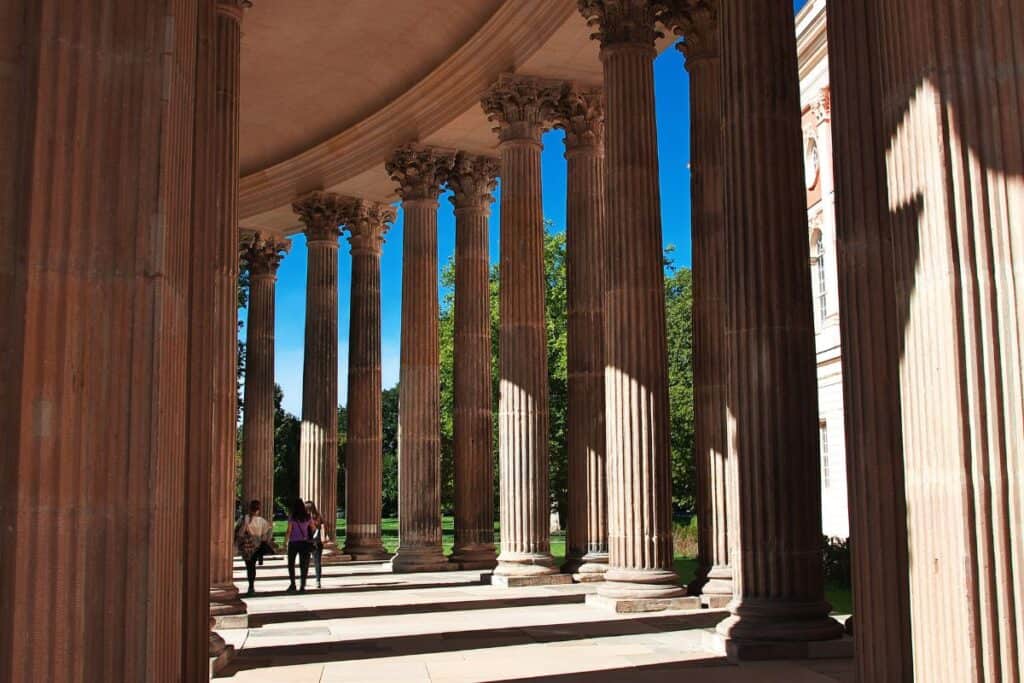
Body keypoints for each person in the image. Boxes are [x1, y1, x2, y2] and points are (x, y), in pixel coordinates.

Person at [235, 499, 273, 597]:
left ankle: (250, 585)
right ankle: (251, 586)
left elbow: (239, 532)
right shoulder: (262, 521)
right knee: (253, 566)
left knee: (249, 566)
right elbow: (267, 533)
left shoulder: (244, 518)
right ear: (258, 509)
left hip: (247, 546)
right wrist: (262, 540)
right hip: (257, 545)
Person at [285, 497, 314, 593]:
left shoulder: (292, 517)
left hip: (293, 543)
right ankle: (302, 585)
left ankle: (293, 584)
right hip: (304, 543)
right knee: (304, 565)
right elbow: (313, 528)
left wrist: (285, 542)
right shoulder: (308, 517)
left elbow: (289, 531)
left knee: (291, 564)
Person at [306, 501, 325, 589]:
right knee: (317, 563)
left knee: (305, 562)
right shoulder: (318, 516)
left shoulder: (305, 518)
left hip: (306, 542)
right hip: (317, 542)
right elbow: (323, 527)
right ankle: (318, 581)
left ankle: (303, 580)